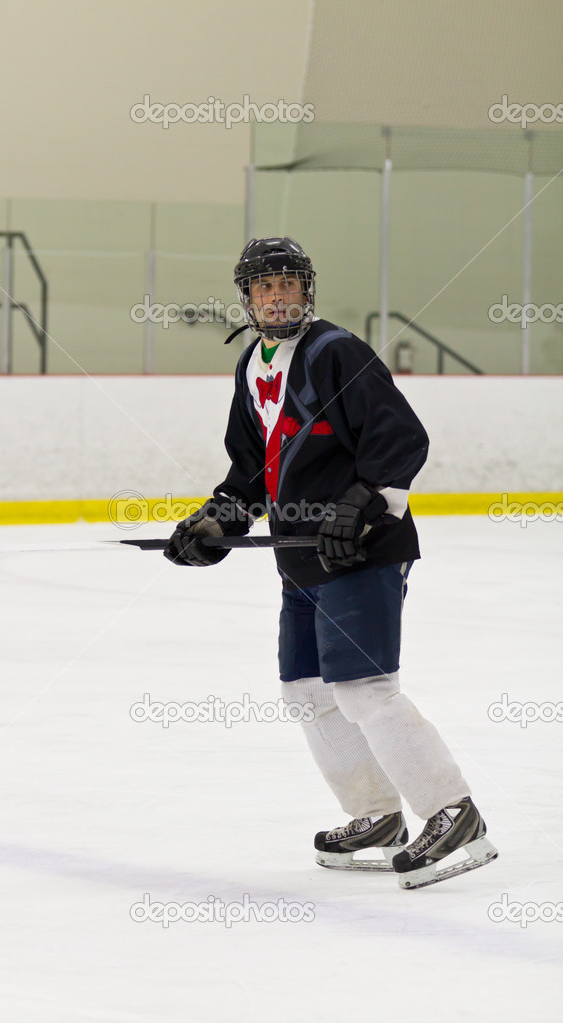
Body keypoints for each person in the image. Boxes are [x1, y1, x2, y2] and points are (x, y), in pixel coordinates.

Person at [164, 237, 497, 889]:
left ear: (306, 290)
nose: (277, 295)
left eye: (288, 283)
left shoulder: (335, 351)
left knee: (364, 691)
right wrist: (215, 521)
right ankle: (375, 813)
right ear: (248, 298)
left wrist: (365, 505)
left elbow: (400, 438)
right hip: (300, 559)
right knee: (309, 692)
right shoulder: (252, 368)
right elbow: (250, 471)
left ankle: (451, 811)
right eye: (264, 287)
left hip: (365, 552)